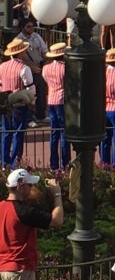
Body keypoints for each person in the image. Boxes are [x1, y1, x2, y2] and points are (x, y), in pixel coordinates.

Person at [0, 38, 35, 168]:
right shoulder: (24, 68)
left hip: (5, 104)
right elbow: (30, 88)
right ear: (21, 53)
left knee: (6, 132)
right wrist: (32, 101)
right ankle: (15, 163)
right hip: (20, 104)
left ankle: (4, 162)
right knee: (18, 133)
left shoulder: (2, 66)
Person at [42, 42, 68, 170]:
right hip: (62, 100)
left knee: (54, 133)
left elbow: (46, 80)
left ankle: (53, 163)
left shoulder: (45, 68)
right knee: (64, 133)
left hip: (51, 99)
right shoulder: (65, 68)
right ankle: (65, 163)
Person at [16, 20, 47, 123]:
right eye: (28, 26)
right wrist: (30, 67)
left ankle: (41, 115)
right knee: (29, 95)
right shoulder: (18, 40)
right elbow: (19, 57)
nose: (31, 28)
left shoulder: (36, 36)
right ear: (22, 27)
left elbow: (44, 51)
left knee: (41, 92)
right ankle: (29, 118)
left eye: (32, 26)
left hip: (39, 68)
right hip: (27, 70)